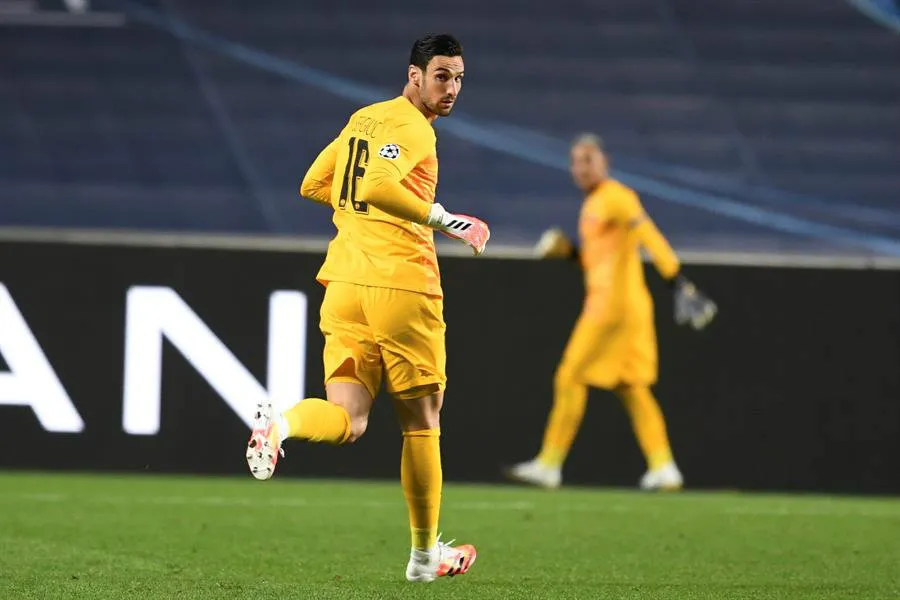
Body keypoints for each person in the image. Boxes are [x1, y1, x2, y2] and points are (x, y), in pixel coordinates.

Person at [245, 34, 489, 582]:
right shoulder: (413, 128)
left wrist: (358, 212)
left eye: (459, 78)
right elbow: (378, 185)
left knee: (350, 422)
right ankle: (425, 558)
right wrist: (445, 220)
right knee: (423, 424)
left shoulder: (364, 118)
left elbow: (313, 184)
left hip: (344, 286)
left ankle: (279, 426)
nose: (451, 88)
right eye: (442, 76)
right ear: (414, 76)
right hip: (402, 287)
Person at [505, 134, 716, 491]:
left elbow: (649, 234)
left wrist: (676, 279)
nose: (581, 168)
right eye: (575, 161)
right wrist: (568, 252)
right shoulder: (594, 205)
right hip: (630, 307)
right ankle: (664, 466)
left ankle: (550, 464)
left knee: (570, 376)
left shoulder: (617, 197)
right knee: (631, 386)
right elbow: (596, 261)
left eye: (588, 159)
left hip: (610, 308)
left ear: (605, 162)